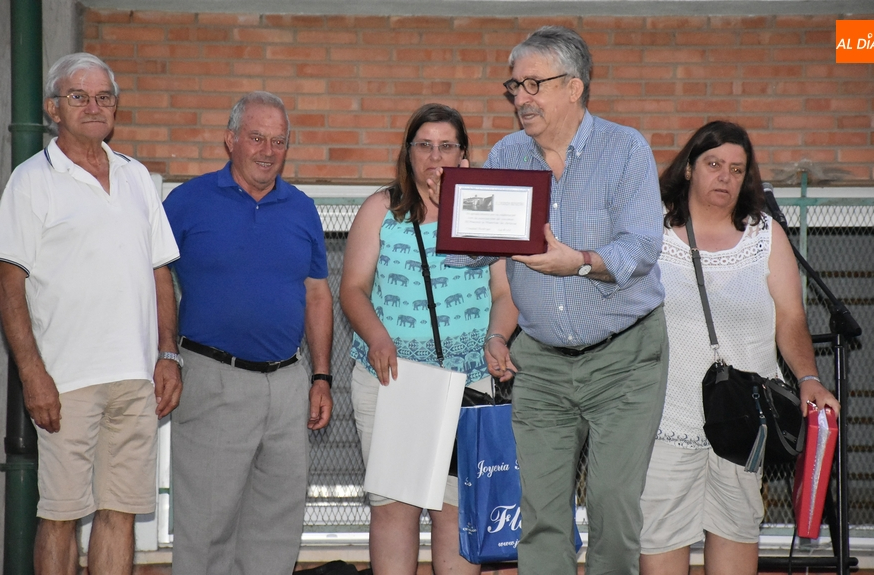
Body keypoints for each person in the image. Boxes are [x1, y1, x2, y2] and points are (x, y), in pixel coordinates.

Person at [440, 26, 668, 575]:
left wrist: (582, 261)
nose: (521, 98)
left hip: (625, 360)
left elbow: (642, 247)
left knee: (613, 504)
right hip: (539, 364)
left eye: (533, 84)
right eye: (514, 86)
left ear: (574, 86)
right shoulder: (507, 154)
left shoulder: (625, 149)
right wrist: (456, 214)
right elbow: (478, 251)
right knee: (540, 515)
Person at [0, 52, 182, 574]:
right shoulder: (31, 180)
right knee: (59, 515)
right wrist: (32, 374)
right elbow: (10, 283)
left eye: (104, 97)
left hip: (136, 378)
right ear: (53, 108)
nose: (94, 106)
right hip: (66, 381)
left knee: (120, 513)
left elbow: (160, 272)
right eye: (79, 96)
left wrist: (168, 354)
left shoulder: (136, 177)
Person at [638, 121, 841, 575]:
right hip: (666, 423)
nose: (724, 177)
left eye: (736, 169)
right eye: (713, 164)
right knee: (660, 550)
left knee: (735, 544)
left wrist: (808, 377)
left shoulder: (765, 235)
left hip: (745, 427)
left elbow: (791, 318)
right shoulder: (651, 230)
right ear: (689, 168)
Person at [340, 103, 518, 575]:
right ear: (409, 152)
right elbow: (353, 288)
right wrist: (377, 337)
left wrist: (497, 338)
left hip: (469, 384)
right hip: (394, 379)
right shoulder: (382, 208)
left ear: (463, 154)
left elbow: (506, 292)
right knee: (395, 509)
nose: (435, 156)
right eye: (425, 145)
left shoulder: (484, 209)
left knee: (457, 510)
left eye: (446, 146)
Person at [163, 91, 334, 574]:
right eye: (257, 138)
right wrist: (165, 354)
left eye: (278, 141)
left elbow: (318, 295)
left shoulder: (301, 208)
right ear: (231, 139)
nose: (267, 151)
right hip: (213, 378)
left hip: (287, 385)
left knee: (276, 531)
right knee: (207, 529)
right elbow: (151, 279)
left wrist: (321, 377)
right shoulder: (187, 202)